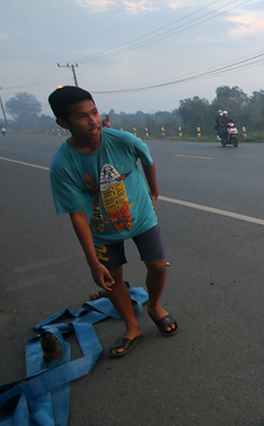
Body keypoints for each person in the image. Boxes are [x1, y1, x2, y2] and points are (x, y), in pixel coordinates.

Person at [48, 86, 179, 358]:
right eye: (82, 116)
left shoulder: (122, 140)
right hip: (102, 231)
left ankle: (154, 306)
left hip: (141, 217)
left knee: (156, 265)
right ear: (64, 123)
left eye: (94, 112)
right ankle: (132, 327)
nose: (93, 121)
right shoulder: (62, 165)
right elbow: (77, 214)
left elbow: (148, 160)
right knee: (111, 279)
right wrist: (92, 263)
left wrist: (154, 191)